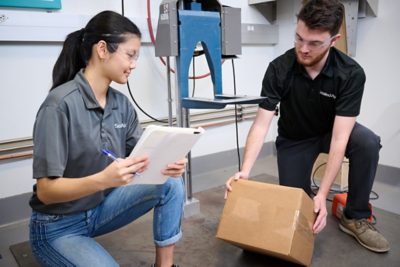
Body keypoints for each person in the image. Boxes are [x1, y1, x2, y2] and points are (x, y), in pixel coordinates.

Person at [225, 0, 390, 253]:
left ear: (333, 41)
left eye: (314, 43)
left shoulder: (350, 73)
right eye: (299, 38)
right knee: (297, 208)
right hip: (295, 138)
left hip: (330, 132)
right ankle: (305, 205)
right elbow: (261, 125)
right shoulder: (279, 68)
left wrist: (323, 194)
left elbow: (339, 139)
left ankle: (354, 216)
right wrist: (245, 172)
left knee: (367, 142)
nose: (303, 49)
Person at [29, 10, 186, 267]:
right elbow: (46, 192)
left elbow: (144, 158)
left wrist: (169, 163)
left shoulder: (121, 104)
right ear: (102, 49)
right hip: (58, 227)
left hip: (99, 209)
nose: (134, 64)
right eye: (130, 55)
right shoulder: (59, 105)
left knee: (170, 183)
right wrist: (104, 179)